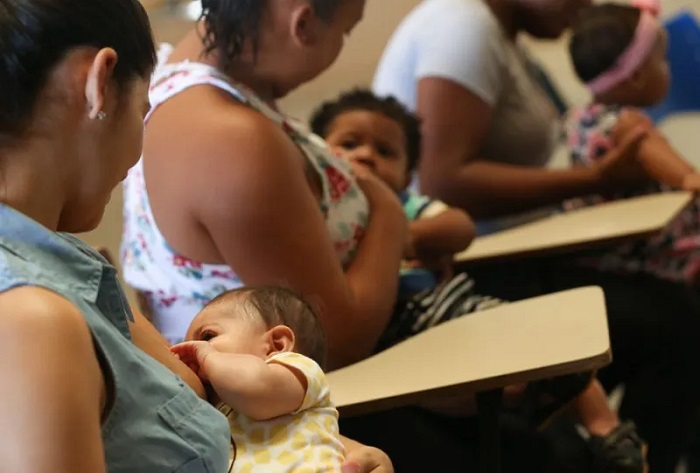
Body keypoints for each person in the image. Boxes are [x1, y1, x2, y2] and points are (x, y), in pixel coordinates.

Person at [119, 0, 585, 470]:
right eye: (346, 30)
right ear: (303, 23)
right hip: (297, 397)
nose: (341, 45)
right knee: (547, 454)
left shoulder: (205, 80)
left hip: (336, 371)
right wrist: (386, 209)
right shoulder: (227, 137)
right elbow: (335, 340)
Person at [0, 1, 391, 472]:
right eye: (143, 110)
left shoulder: (73, 262)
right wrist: (389, 212)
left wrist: (328, 446)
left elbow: (202, 398)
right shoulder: (34, 320)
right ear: (97, 84)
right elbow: (345, 332)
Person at [372, 0, 700, 471]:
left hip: (521, 255)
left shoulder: (503, 38)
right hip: (476, 274)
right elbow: (445, 182)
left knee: (675, 316)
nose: (585, 6)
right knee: (676, 327)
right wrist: (597, 180)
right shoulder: (463, 28)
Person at [311, 88, 647, 472]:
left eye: (385, 152)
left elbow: (460, 226)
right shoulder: (326, 216)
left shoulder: (408, 205)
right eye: (349, 144)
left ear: (407, 175)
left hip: (446, 305)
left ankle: (606, 429)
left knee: (548, 340)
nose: (366, 156)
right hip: (387, 333)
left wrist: (407, 235)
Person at [564, 1, 700, 283]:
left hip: (612, 250)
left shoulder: (577, 119)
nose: (667, 69)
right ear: (636, 75)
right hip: (660, 254)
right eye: (661, 60)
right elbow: (688, 179)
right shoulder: (629, 125)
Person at [172, 286, 344, 473]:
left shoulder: (299, 370)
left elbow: (252, 385)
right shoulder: (219, 409)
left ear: (276, 345)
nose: (193, 351)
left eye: (208, 336)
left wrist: (207, 357)